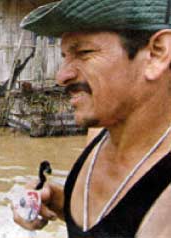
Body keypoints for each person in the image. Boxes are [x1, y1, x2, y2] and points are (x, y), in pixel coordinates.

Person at [12, 0, 171, 237]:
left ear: (157, 53)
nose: (61, 76)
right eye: (65, 56)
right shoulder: (99, 133)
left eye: (84, 52)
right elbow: (111, 222)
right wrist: (59, 202)